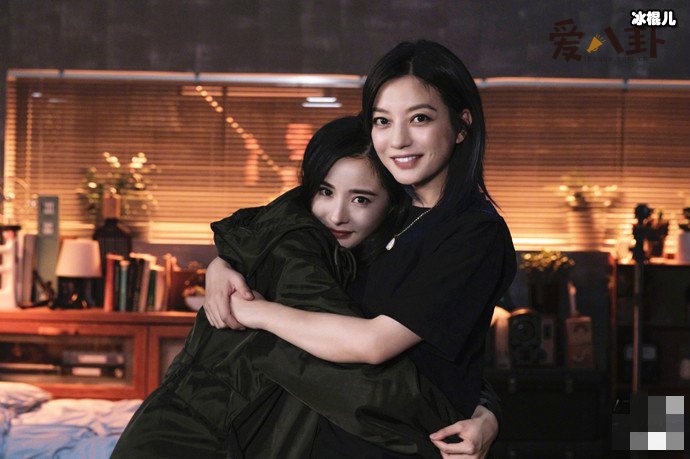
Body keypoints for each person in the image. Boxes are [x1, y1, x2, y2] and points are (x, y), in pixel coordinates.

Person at [113, 116, 496, 459]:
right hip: (193, 434)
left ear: (391, 204)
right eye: (325, 191)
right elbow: (361, 376)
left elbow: (436, 354)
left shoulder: (383, 261)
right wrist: (450, 419)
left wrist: (486, 412)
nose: (336, 215)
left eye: (360, 199)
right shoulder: (297, 250)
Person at [205, 40, 516, 458]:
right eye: (383, 121)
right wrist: (221, 267)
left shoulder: (475, 232)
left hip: (396, 443)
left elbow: (377, 343)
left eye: (420, 118)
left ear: (462, 125)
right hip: (321, 433)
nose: (398, 140)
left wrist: (250, 310)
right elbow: (289, 249)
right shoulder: (388, 209)